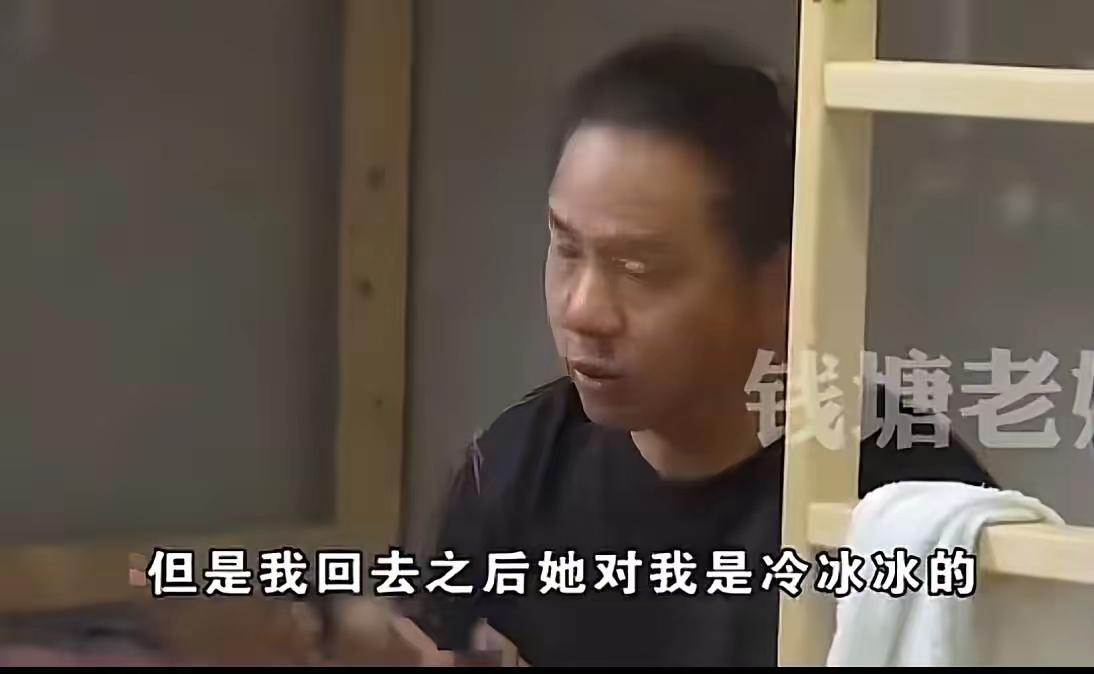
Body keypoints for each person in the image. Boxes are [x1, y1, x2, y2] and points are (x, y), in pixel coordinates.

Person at [401, 34, 996, 667]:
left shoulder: (909, 515)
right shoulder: (515, 469)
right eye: (567, 250)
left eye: (640, 268)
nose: (583, 310)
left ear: (782, 286)